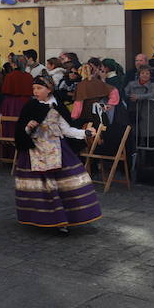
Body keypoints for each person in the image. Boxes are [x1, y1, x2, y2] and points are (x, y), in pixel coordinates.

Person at [14, 76, 102, 233]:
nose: (35, 92)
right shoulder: (30, 106)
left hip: (57, 150)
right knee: (42, 187)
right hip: (35, 151)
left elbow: (66, 129)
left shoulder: (57, 106)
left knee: (64, 185)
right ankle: (42, 218)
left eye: (39, 88)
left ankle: (63, 221)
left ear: (49, 89)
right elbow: (21, 130)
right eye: (34, 89)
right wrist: (28, 127)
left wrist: (85, 133)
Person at [124, 66, 154, 149]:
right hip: (135, 113)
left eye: (147, 73)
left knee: (150, 140)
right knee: (135, 138)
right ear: (139, 74)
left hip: (149, 114)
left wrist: (139, 97)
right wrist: (130, 97)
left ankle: (150, 160)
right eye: (143, 73)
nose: (145, 75)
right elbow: (125, 93)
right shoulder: (131, 84)